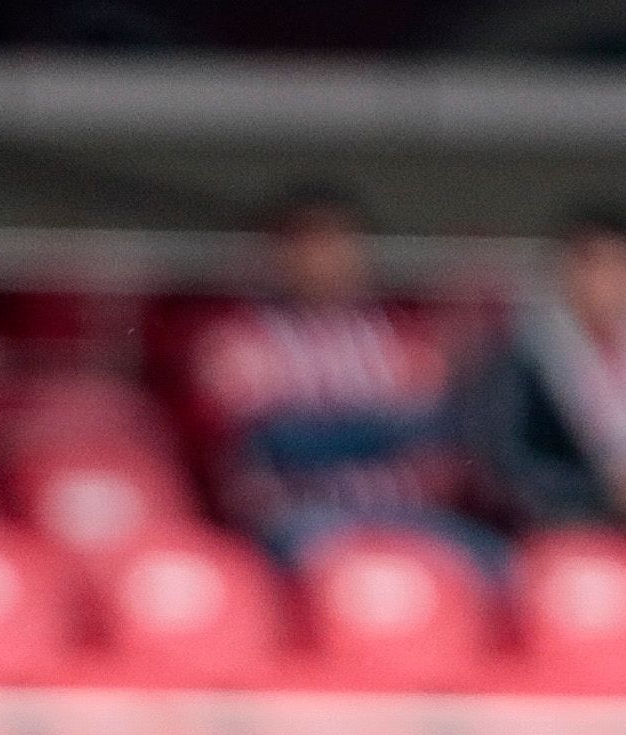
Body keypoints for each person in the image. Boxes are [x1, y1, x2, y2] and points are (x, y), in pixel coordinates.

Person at [186, 184, 485, 572]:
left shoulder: (401, 336)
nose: (327, 259)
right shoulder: (240, 339)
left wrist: (358, 430)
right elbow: (273, 442)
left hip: (409, 517)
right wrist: (386, 429)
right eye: (311, 245)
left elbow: (441, 431)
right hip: (298, 521)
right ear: (279, 256)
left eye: (340, 243)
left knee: (494, 564)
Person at [469, 204, 626, 560]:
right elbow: (507, 467)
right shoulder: (519, 358)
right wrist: (612, 490)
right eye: (598, 267)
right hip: (562, 530)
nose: (612, 284)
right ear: (565, 274)